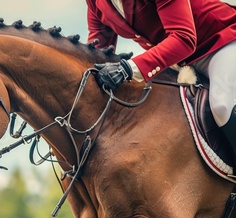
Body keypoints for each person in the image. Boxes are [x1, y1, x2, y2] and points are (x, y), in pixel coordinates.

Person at [87, 0, 236, 160]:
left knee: (221, 106)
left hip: (221, 40)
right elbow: (96, 56)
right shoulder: (96, 3)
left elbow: (183, 38)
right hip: (178, 62)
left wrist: (129, 68)